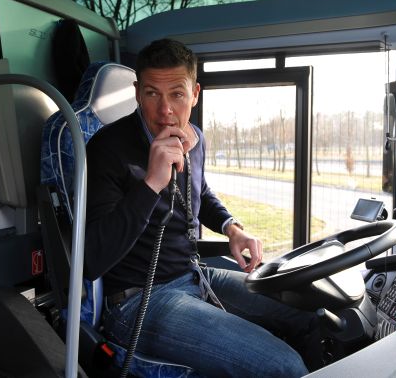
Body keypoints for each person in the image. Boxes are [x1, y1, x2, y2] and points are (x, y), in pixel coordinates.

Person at [84, 38, 321, 377]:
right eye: (152, 93)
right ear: (137, 93)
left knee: (311, 315)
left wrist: (231, 228)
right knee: (284, 366)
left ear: (195, 93)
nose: (165, 110)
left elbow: (200, 192)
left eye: (177, 94)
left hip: (195, 276)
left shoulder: (193, 137)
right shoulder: (107, 148)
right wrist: (151, 183)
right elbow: (93, 258)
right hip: (138, 301)